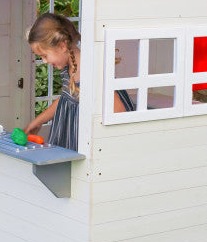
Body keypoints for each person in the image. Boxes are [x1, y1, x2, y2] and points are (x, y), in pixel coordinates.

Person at [23, 12, 133, 151]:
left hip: (87, 140)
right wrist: (37, 122)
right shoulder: (68, 67)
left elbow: (118, 113)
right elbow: (68, 97)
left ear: (63, 46)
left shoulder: (90, 73)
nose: (44, 61)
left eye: (44, 55)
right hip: (71, 135)